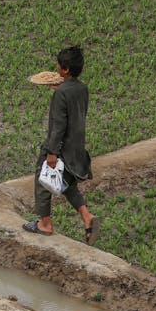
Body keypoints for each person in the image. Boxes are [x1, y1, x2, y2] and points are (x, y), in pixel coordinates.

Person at [22, 45, 99, 244]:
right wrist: (62, 88)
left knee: (43, 177)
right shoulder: (82, 88)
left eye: (58, 65)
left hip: (61, 146)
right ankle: (86, 217)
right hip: (77, 146)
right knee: (67, 184)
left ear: (64, 69)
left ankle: (45, 224)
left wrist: (52, 152)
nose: (56, 67)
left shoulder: (60, 94)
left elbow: (58, 125)